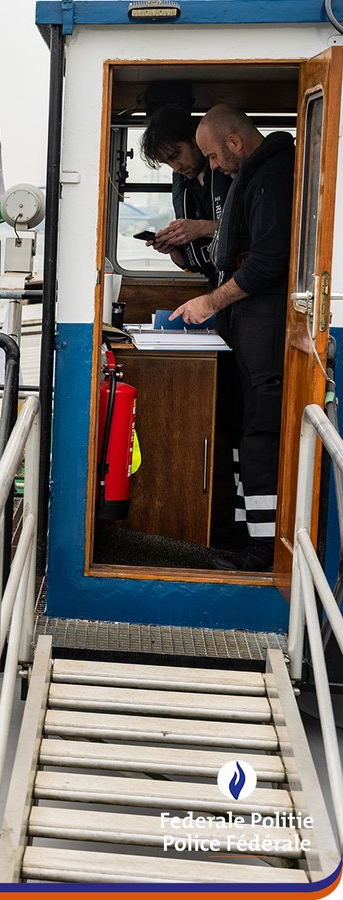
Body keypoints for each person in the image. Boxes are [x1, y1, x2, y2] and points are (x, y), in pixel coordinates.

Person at [171, 104, 295, 571]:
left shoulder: (272, 177)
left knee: (263, 427)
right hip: (248, 323)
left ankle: (265, 549)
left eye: (216, 158)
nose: (214, 168)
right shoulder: (255, 174)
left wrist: (209, 303)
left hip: (265, 322)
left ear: (236, 143)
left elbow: (267, 262)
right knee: (246, 425)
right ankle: (247, 532)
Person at [139, 104, 231, 284]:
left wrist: (202, 228)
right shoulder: (183, 182)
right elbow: (195, 264)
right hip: (216, 287)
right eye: (167, 163)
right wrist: (173, 248)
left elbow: (254, 231)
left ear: (194, 138)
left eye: (176, 155)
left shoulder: (229, 170)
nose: (176, 167)